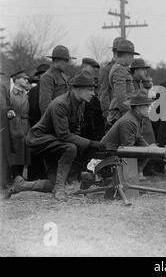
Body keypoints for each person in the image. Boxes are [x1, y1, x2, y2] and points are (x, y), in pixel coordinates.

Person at [7, 72, 106, 200]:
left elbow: (74, 130)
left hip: (55, 143)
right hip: (39, 139)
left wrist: (86, 145)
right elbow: (64, 135)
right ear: (78, 89)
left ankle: (21, 185)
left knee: (52, 183)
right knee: (71, 148)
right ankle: (60, 190)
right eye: (90, 90)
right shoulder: (60, 104)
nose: (93, 93)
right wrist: (90, 143)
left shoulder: (80, 104)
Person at [101, 91, 155, 181]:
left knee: (148, 150)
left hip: (117, 150)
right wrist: (147, 149)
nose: (149, 108)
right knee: (143, 151)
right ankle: (131, 175)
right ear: (137, 108)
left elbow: (138, 137)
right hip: (109, 152)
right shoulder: (129, 121)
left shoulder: (137, 118)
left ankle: (136, 173)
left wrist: (149, 148)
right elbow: (127, 148)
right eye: (147, 106)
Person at [107, 39, 140, 127]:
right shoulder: (119, 70)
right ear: (126, 55)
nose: (133, 59)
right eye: (132, 56)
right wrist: (130, 113)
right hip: (121, 112)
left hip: (122, 111)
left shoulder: (121, 68)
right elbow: (121, 96)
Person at [7, 70, 31, 182]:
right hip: (14, 125)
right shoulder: (10, 94)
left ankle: (20, 177)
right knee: (15, 151)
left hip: (26, 125)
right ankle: (13, 177)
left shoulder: (26, 94)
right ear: (16, 80)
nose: (27, 80)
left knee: (24, 151)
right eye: (24, 78)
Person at [39, 45, 74, 115]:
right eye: (66, 60)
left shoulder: (63, 76)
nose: (67, 63)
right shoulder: (47, 77)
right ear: (57, 60)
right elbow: (45, 105)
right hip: (54, 119)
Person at [99, 37, 126, 121]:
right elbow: (103, 94)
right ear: (115, 52)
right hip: (114, 114)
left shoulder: (126, 68)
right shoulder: (107, 69)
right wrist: (108, 114)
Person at [81, 58, 105, 141]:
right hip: (88, 110)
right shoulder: (81, 78)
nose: (94, 70)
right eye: (92, 67)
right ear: (84, 66)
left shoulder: (92, 78)